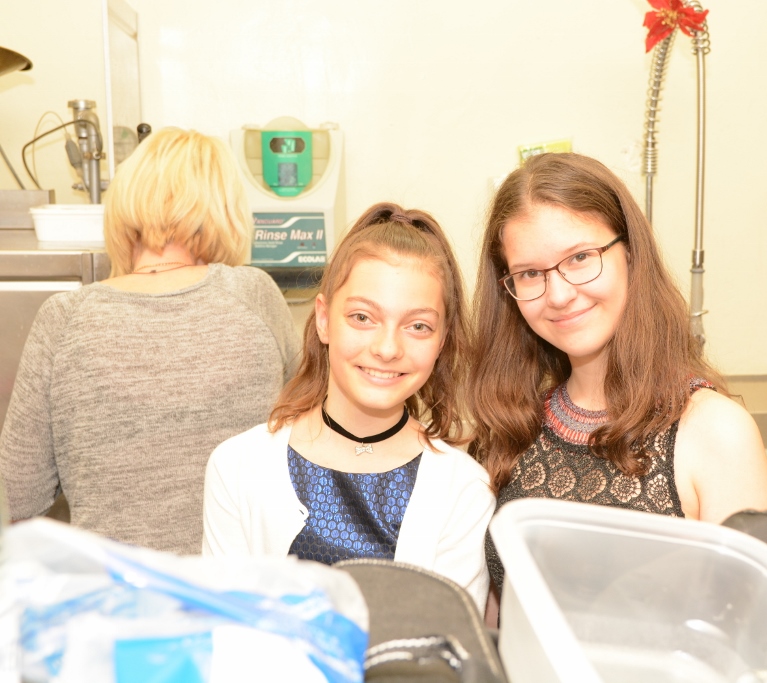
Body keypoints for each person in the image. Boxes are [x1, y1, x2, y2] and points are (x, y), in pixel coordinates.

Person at [470, 152, 767, 596]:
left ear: (631, 254)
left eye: (580, 257)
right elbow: (493, 614)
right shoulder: (509, 429)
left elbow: (755, 620)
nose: (558, 295)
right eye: (530, 273)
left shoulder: (715, 432)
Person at [0, 127, 299, 555]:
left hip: (111, 589)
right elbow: (313, 436)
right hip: (236, 587)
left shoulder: (64, 317)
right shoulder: (253, 295)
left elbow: (16, 500)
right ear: (226, 213)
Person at [203, 202, 495, 613]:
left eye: (418, 326)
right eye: (362, 317)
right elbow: (225, 631)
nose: (387, 348)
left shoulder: (463, 491)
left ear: (442, 340)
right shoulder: (238, 466)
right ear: (324, 319)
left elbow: (443, 643)